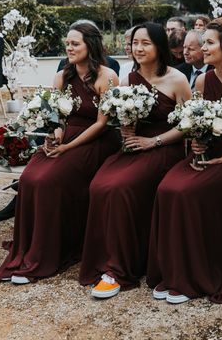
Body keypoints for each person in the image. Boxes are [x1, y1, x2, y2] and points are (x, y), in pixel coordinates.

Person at [147, 19, 222, 304]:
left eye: (209, 43)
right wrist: (197, 140)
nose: (203, 47)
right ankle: (172, 271)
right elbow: (194, 121)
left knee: (189, 193)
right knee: (167, 188)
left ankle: (194, 277)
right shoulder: (201, 80)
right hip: (204, 154)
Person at [0, 23, 121, 284]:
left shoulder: (107, 76)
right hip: (69, 135)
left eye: (75, 43)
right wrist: (56, 135)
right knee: (30, 177)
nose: (69, 47)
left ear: (90, 45)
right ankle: (29, 247)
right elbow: (59, 117)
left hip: (97, 140)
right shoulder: (62, 76)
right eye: (68, 43)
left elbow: (101, 123)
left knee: (49, 179)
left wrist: (69, 147)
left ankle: (48, 253)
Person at [79, 22, 191, 299]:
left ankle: (119, 269)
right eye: (135, 43)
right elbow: (121, 119)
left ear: (159, 47)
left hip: (164, 147)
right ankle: (110, 257)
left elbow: (188, 124)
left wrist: (153, 141)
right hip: (134, 146)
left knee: (121, 187)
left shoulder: (177, 79)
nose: (138, 48)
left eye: (145, 43)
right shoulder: (128, 79)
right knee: (100, 184)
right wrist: (126, 127)